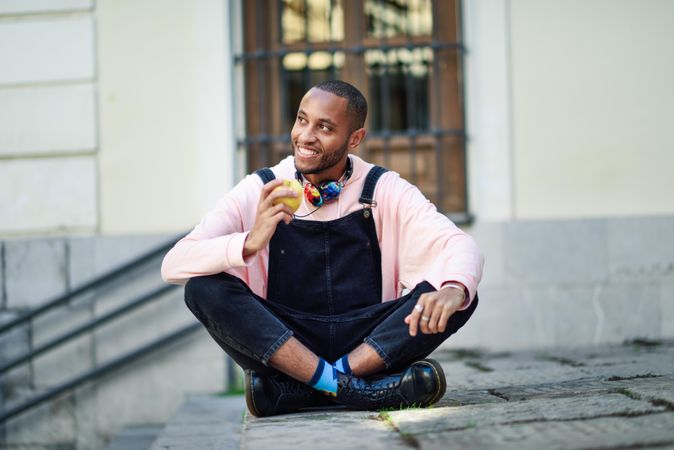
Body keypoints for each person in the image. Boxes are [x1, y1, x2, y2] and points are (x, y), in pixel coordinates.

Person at [161, 80, 483, 417]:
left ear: (355, 139)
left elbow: (458, 244)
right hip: (286, 340)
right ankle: (356, 389)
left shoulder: (384, 187)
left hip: (367, 339)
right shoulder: (264, 185)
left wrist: (453, 289)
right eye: (302, 120)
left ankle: (304, 388)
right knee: (203, 288)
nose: (305, 136)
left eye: (324, 127)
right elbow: (174, 264)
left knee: (461, 291)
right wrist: (251, 241)